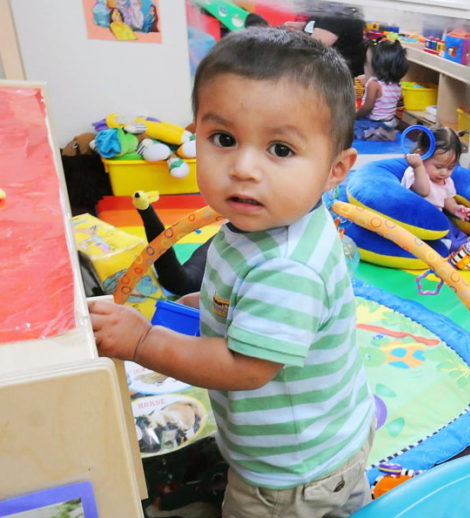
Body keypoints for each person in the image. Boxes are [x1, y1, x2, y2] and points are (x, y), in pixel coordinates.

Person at [88, 28, 375, 517]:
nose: (243, 167)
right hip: (324, 435)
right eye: (224, 139)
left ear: (335, 169)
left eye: (280, 150)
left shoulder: (288, 266)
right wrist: (209, 305)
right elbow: (248, 294)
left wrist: (142, 344)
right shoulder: (267, 218)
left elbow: (247, 367)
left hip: (289, 475)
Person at [402, 126, 470, 256]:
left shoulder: (446, 180)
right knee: (434, 237)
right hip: (416, 219)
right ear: (421, 156)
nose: (444, 172)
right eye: (439, 167)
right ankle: (444, 245)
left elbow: (447, 198)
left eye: (450, 167)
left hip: (436, 219)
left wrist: (455, 209)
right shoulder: (414, 172)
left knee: (453, 230)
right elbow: (423, 191)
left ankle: (455, 244)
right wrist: (418, 166)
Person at [355, 39, 407, 141]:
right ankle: (386, 132)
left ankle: (374, 133)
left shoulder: (374, 84)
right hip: (390, 122)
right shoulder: (397, 84)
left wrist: (356, 115)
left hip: (375, 122)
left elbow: (367, 108)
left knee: (352, 126)